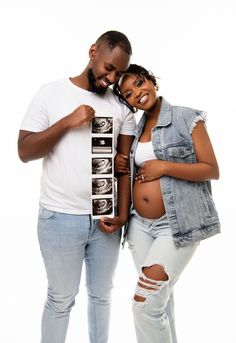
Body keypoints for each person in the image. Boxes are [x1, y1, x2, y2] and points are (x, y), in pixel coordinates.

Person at [18, 31, 135, 343]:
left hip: (104, 219)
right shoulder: (51, 93)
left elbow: (123, 167)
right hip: (60, 217)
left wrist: (122, 214)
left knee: (102, 297)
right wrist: (67, 122)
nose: (111, 78)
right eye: (108, 68)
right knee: (61, 299)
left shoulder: (122, 109)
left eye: (119, 73)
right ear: (93, 51)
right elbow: (25, 151)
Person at [113, 64, 220, 343]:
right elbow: (132, 174)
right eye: (128, 93)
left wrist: (164, 166)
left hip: (174, 224)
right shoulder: (134, 131)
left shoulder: (187, 118)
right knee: (159, 300)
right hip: (139, 225)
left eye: (139, 83)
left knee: (145, 302)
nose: (137, 93)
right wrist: (122, 163)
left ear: (152, 80)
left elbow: (211, 169)